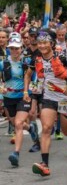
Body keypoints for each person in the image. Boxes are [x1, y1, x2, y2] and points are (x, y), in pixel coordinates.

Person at [30, 30, 67, 177]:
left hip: (66, 98)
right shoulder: (37, 59)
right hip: (49, 98)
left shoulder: (61, 57)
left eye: (45, 43)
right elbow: (33, 77)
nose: (42, 46)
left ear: (51, 44)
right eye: (40, 43)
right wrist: (32, 93)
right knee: (46, 128)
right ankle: (44, 164)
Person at [2, 34, 33, 167]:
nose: (14, 51)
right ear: (9, 49)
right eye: (12, 48)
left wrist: (31, 91)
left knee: (19, 124)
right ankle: (30, 128)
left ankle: (16, 154)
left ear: (21, 48)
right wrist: (1, 87)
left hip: (23, 96)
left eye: (17, 48)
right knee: (15, 122)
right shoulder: (4, 63)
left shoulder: (27, 62)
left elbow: (34, 77)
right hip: (9, 97)